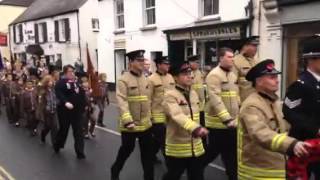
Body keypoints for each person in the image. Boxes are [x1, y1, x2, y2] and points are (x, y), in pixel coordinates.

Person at [238, 59, 310, 179]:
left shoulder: (274, 101)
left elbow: (285, 127)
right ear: (259, 81)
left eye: (276, 77)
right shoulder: (252, 105)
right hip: (259, 172)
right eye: (271, 77)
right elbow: (261, 134)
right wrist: (292, 144)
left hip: (276, 167)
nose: (277, 80)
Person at [111, 50, 154, 180]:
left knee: (148, 155)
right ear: (131, 62)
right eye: (139, 60)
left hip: (145, 125)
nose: (143, 63)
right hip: (130, 124)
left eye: (143, 60)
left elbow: (148, 100)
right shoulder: (123, 80)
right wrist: (127, 120)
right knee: (127, 150)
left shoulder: (145, 79)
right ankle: (115, 169)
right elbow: (121, 101)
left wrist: (151, 117)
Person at [162, 61, 208, 180]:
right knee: (173, 175)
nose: (190, 76)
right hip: (178, 148)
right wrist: (196, 128)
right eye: (184, 73)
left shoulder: (193, 93)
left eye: (190, 72)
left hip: (196, 147)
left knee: (197, 176)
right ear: (175, 77)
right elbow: (177, 115)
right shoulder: (169, 95)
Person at [283, 42, 320, 179]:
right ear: (311, 60)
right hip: (304, 144)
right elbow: (289, 112)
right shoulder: (300, 85)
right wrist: (316, 130)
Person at [204, 48, 239, 180]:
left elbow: (236, 96)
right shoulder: (214, 75)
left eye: (233, 57)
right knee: (213, 152)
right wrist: (226, 119)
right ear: (220, 58)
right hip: (218, 124)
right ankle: (195, 168)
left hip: (232, 123)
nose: (232, 59)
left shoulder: (232, 74)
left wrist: (239, 112)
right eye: (229, 57)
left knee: (231, 154)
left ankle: (232, 175)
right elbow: (215, 99)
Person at [53, 65, 86, 159]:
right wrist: (65, 102)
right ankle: (57, 144)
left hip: (76, 111)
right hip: (65, 111)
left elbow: (81, 94)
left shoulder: (77, 82)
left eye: (73, 71)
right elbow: (59, 93)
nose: (72, 73)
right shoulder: (61, 83)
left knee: (78, 131)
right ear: (65, 73)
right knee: (64, 130)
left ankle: (80, 152)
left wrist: (84, 105)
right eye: (70, 71)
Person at [148, 56, 175, 162]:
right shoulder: (151, 79)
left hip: (170, 115)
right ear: (158, 65)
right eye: (165, 64)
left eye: (168, 63)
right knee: (165, 141)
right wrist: (149, 116)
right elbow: (148, 99)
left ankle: (150, 155)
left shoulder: (170, 77)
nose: (168, 65)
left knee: (158, 140)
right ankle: (171, 166)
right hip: (157, 116)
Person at [233, 36, 259, 101]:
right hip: (243, 101)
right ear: (245, 47)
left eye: (256, 46)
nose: (256, 48)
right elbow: (233, 84)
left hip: (256, 100)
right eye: (253, 46)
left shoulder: (256, 62)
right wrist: (237, 102)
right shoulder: (235, 61)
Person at [38, 75, 58, 145]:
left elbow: (57, 98)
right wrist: (42, 112)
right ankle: (43, 134)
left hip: (54, 110)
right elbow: (41, 103)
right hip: (47, 112)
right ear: (46, 82)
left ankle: (55, 143)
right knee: (48, 126)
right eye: (49, 81)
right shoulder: (43, 91)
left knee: (55, 127)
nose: (51, 82)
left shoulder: (54, 89)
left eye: (51, 81)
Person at [188, 55, 205, 126]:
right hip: (192, 103)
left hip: (201, 104)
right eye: (196, 62)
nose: (198, 64)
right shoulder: (187, 73)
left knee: (202, 123)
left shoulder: (200, 72)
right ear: (190, 63)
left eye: (198, 62)